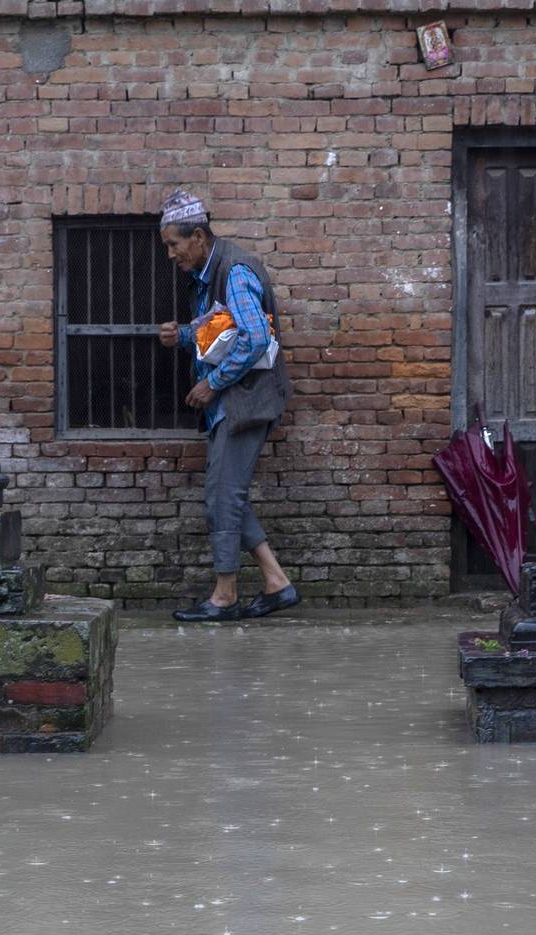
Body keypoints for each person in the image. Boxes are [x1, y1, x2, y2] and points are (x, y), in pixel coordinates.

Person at [155, 189, 298, 623]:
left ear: (197, 236)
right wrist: (182, 336)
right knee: (227, 495)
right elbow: (224, 330)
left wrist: (212, 385)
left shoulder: (233, 270)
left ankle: (225, 595)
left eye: (173, 245)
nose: (170, 255)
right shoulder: (212, 271)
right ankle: (276, 582)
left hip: (243, 401)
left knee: (223, 496)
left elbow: (254, 338)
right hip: (235, 403)